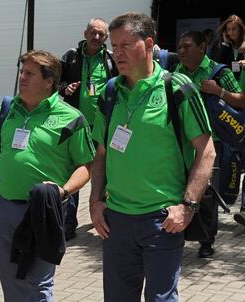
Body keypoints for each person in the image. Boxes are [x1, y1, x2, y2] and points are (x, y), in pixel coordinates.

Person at [90, 13, 215, 301]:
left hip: (162, 220)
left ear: (148, 44)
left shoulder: (178, 88)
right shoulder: (110, 92)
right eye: (114, 46)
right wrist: (95, 200)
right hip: (116, 221)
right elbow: (101, 153)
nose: (116, 53)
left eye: (125, 45)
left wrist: (187, 206)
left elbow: (207, 151)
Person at [0, 50, 95, 301]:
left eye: (30, 74)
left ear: (49, 81)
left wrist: (62, 191)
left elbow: (86, 166)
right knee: (10, 279)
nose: (22, 77)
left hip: (43, 211)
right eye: (22, 72)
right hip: (3, 208)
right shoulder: (7, 110)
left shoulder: (71, 118)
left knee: (38, 281)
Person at [175, 30, 245, 256]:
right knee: (181, 189)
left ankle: (207, 240)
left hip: (212, 144)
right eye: (180, 46)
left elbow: (241, 102)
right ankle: (180, 234)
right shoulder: (177, 72)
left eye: (187, 46)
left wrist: (219, 90)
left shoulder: (218, 71)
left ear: (202, 48)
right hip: (184, 144)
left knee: (208, 194)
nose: (182, 51)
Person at [58, 18, 117, 240]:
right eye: (93, 33)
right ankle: (68, 224)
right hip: (76, 127)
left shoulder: (110, 59)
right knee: (73, 173)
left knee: (107, 174)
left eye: (101, 34)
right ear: (85, 33)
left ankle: (106, 220)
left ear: (106, 38)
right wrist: (66, 88)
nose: (96, 37)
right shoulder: (71, 57)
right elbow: (54, 83)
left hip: (102, 127)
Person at [208, 15, 245, 81]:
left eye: (234, 29)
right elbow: (216, 65)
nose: (231, 32)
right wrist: (225, 45)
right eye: (228, 29)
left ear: (240, 29)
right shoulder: (220, 43)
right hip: (228, 82)